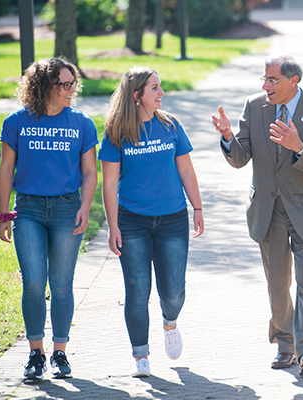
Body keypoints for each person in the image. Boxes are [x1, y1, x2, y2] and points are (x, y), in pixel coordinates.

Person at [212, 53, 303, 377]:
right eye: (264, 79)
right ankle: (285, 345)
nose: (265, 86)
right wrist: (227, 137)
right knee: (278, 284)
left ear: (293, 81)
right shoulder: (254, 108)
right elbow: (240, 158)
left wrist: (299, 147)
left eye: (272, 80)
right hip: (268, 211)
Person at [0, 57, 98, 380]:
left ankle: (60, 353)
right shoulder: (16, 122)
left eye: (73, 83)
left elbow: (90, 170)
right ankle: (35, 353)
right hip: (29, 210)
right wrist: (3, 213)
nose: (71, 90)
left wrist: (85, 205)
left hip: (68, 209)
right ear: (44, 87)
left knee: (63, 284)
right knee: (35, 281)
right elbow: (6, 169)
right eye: (64, 84)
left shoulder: (82, 123)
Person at [99, 66, 204, 378]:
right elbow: (109, 184)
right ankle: (141, 355)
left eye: (160, 87)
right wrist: (113, 225)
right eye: (155, 88)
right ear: (137, 95)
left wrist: (197, 207)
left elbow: (186, 170)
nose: (161, 93)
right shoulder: (116, 132)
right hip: (132, 222)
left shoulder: (171, 125)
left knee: (173, 292)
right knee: (136, 289)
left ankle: (169, 322)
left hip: (172, 219)